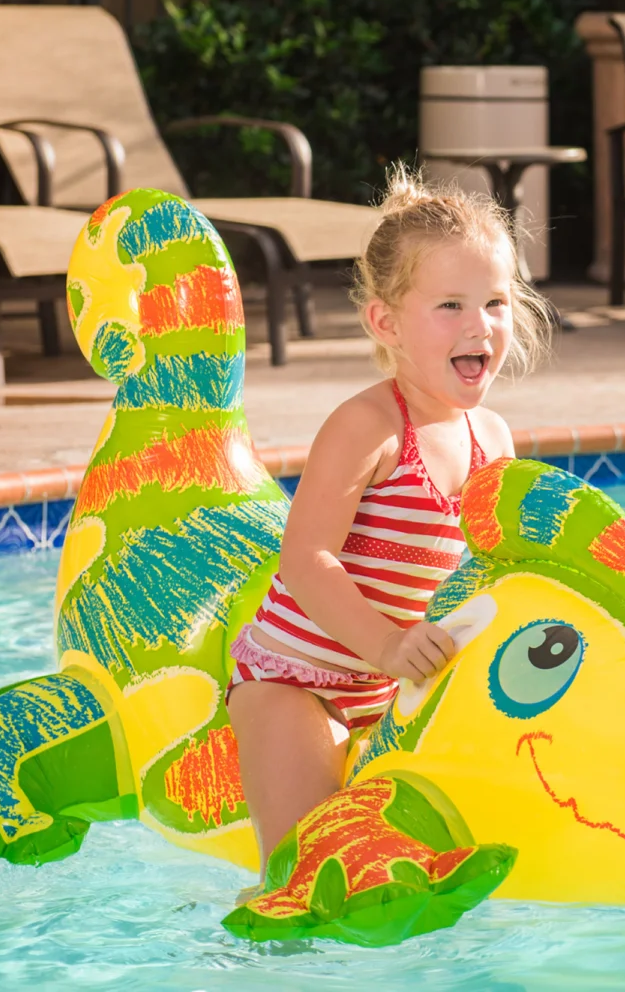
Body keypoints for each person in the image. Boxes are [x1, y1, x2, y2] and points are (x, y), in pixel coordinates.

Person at [227, 168, 549, 871]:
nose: (480, 326)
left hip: (392, 687)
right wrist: (386, 645)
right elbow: (305, 559)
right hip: (298, 682)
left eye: (496, 302)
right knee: (309, 870)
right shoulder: (367, 425)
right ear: (386, 322)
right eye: (451, 306)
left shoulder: (491, 438)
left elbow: (494, 571)